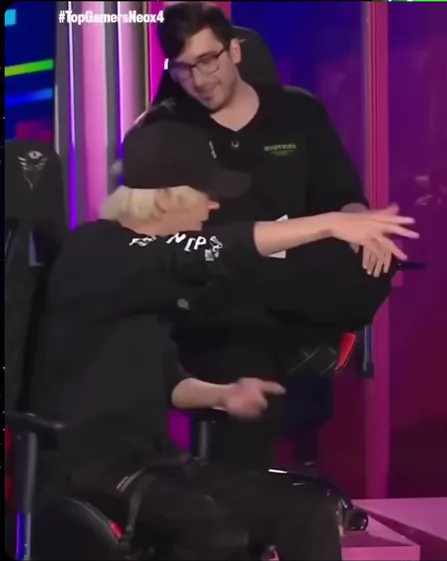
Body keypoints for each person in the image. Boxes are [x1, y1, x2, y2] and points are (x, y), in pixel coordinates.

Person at [27, 121, 415, 560]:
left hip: (157, 462)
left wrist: (223, 395)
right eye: (205, 193)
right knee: (215, 530)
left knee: (305, 509)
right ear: (164, 196)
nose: (214, 204)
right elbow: (208, 251)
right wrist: (328, 224)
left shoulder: (147, 275)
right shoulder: (96, 251)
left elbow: (167, 382)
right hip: (90, 468)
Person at [139, 2, 389, 468]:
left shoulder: (298, 112)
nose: (199, 79)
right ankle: (244, 502)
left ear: (234, 50)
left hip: (297, 284)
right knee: (230, 308)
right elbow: (170, 243)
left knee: (373, 256)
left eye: (208, 60)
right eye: (183, 68)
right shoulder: (166, 129)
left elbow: (342, 196)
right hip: (217, 294)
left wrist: (363, 226)